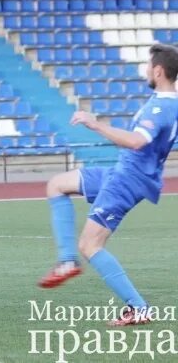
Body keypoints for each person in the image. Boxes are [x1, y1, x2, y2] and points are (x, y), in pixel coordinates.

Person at [38, 44, 178, 326]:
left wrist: (95, 124)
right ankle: (67, 261)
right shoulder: (172, 102)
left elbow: (138, 141)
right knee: (57, 185)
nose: (146, 70)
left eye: (150, 65)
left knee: (90, 245)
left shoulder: (162, 106)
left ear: (159, 71)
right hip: (122, 171)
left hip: (128, 180)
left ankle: (138, 307)